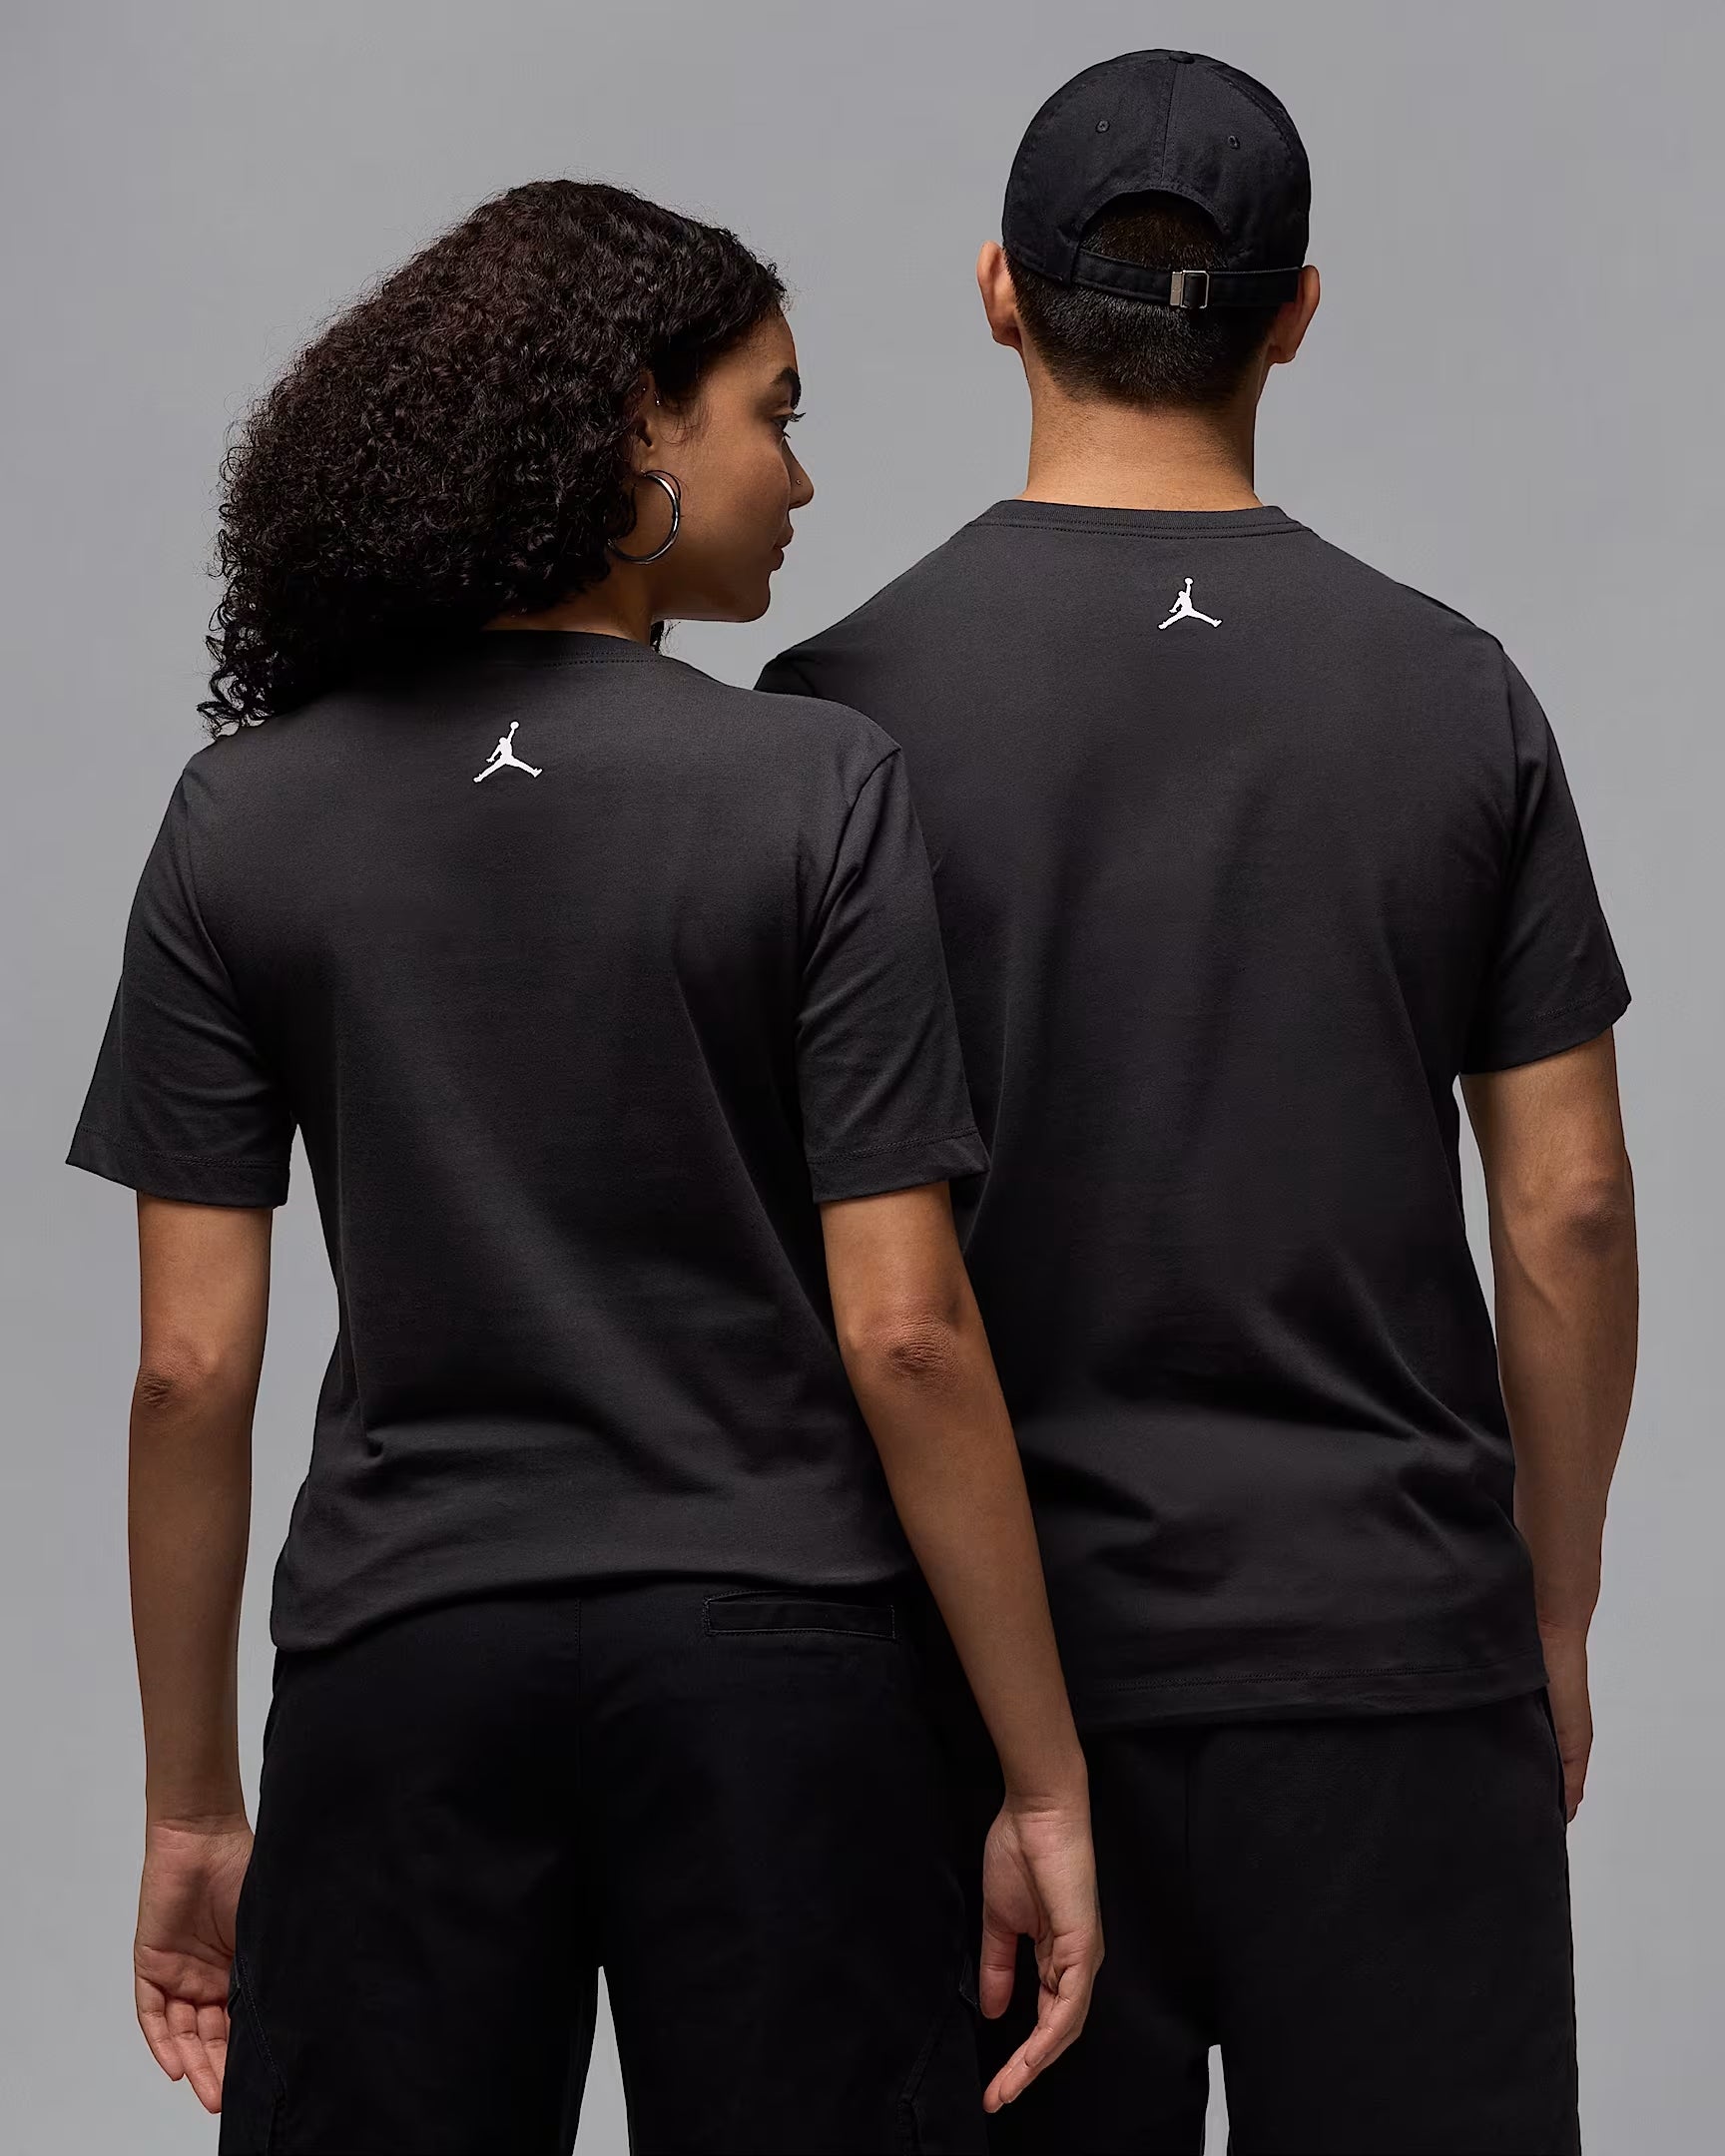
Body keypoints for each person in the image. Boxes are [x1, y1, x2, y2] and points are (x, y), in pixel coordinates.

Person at [65, 179, 1102, 2155]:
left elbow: (188, 1372)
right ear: (638, 428)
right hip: (779, 1662)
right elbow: (906, 1331)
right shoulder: (816, 788)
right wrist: (1041, 1779)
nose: (800, 476)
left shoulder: (240, 821)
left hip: (405, 1658)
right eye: (773, 415)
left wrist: (193, 1805)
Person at [760, 50, 1636, 2156]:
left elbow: (807, 1263)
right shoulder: (1457, 692)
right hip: (1395, 1649)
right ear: (1296, 314)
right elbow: (1572, 1209)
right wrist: (1551, 1604)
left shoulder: (835, 718)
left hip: (984, 1699)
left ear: (997, 290)